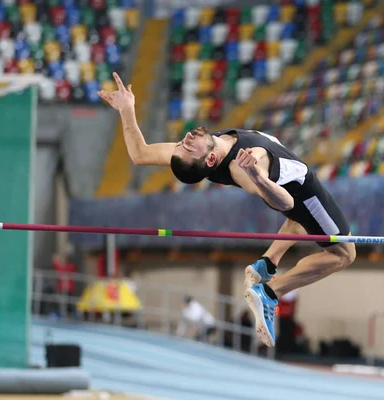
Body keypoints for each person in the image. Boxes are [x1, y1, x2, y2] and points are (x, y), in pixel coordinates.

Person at [98, 73, 356, 347]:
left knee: (298, 222)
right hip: (306, 193)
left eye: (184, 143)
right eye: (188, 145)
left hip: (288, 186)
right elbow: (286, 203)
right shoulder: (243, 165)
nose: (186, 138)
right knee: (343, 254)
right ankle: (270, 292)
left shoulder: (202, 153)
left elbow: (141, 154)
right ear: (209, 158)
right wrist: (258, 178)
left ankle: (266, 264)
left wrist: (127, 110)